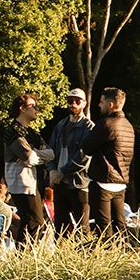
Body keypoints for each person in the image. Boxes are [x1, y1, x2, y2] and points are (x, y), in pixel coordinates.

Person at [80, 87, 135, 236]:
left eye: (101, 102)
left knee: (104, 228)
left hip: (103, 181)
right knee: (120, 226)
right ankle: (122, 249)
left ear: (110, 105)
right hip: (121, 181)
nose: (99, 105)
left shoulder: (106, 123)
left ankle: (107, 249)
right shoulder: (129, 126)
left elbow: (87, 148)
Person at [4, 93, 55, 246]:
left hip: (35, 182)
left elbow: (51, 154)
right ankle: (24, 254)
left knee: (31, 222)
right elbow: (29, 158)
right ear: (22, 108)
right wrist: (35, 156)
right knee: (35, 222)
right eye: (33, 106)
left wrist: (35, 154)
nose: (36, 109)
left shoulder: (33, 133)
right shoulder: (13, 131)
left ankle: (22, 255)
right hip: (22, 183)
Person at [47, 88, 94, 237]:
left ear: (84, 103)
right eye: (70, 101)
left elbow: (83, 156)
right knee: (60, 227)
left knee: (82, 227)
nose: (73, 104)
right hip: (60, 183)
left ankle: (84, 251)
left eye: (77, 101)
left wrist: (62, 172)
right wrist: (52, 171)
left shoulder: (88, 127)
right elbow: (51, 151)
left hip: (79, 183)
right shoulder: (60, 125)